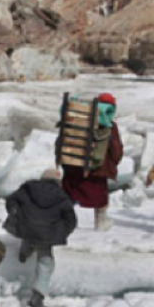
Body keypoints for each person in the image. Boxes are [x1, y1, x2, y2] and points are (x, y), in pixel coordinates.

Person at [4, 168, 77, 307]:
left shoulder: (28, 189)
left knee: (31, 234)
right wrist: (60, 232)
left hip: (27, 228)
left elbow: (11, 201)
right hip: (46, 234)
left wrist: (15, 214)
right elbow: (71, 220)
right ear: (58, 182)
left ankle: (25, 250)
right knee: (45, 262)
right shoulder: (62, 196)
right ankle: (38, 296)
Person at [57, 92, 123, 231]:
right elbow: (116, 149)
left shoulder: (77, 120)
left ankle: (66, 222)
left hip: (72, 165)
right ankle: (100, 223)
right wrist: (113, 163)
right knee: (99, 197)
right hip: (97, 169)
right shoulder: (109, 126)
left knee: (69, 194)